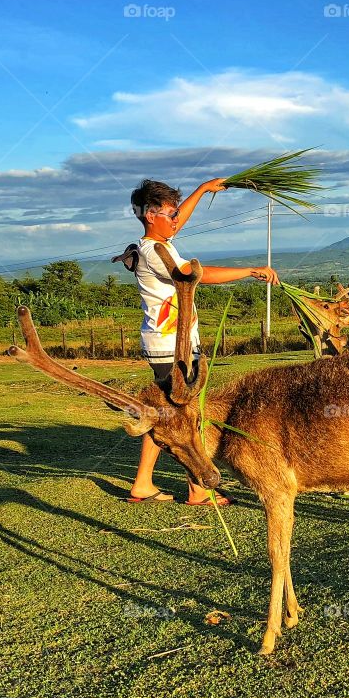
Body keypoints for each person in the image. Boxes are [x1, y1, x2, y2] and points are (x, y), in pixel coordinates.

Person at [123, 177, 279, 505]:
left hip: (167, 343)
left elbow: (178, 222)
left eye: (176, 213)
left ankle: (142, 484)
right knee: (186, 417)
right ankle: (197, 489)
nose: (176, 220)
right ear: (151, 216)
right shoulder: (156, 251)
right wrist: (250, 271)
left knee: (164, 414)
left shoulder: (154, 244)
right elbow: (196, 274)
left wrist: (203, 190)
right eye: (170, 214)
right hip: (170, 346)